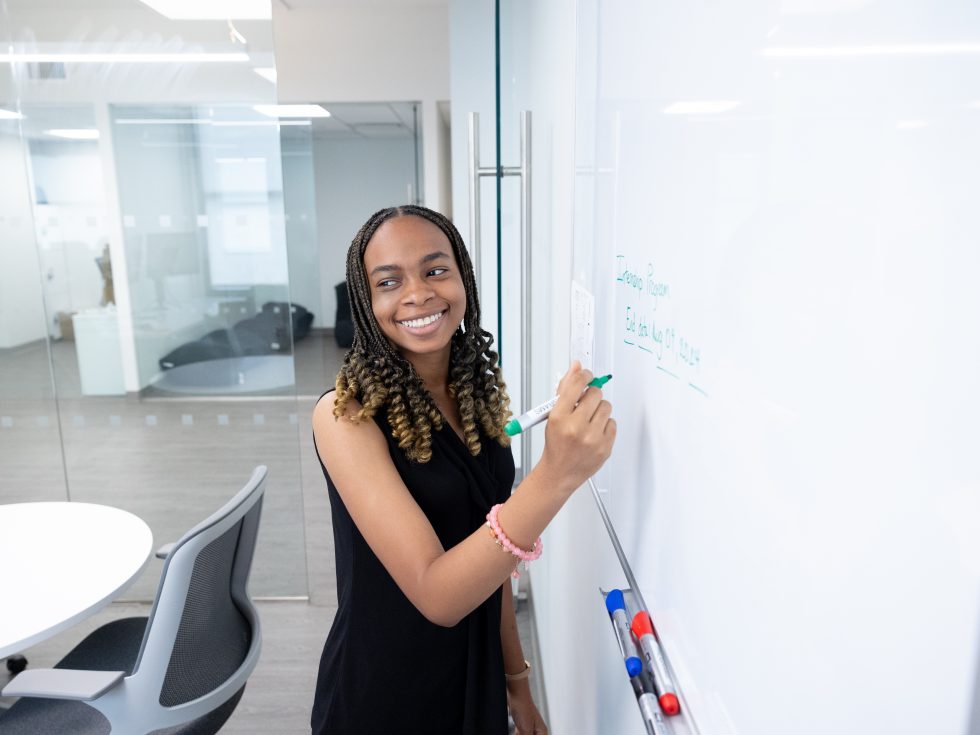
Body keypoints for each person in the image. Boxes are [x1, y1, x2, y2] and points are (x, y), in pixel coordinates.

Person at [311, 205, 616, 734]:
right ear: (366, 303)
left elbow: (490, 559)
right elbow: (438, 596)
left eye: (435, 270)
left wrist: (518, 684)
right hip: (387, 693)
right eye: (389, 281)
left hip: (472, 678)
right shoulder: (346, 416)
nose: (418, 294)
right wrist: (557, 472)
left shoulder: (473, 396)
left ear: (464, 280)